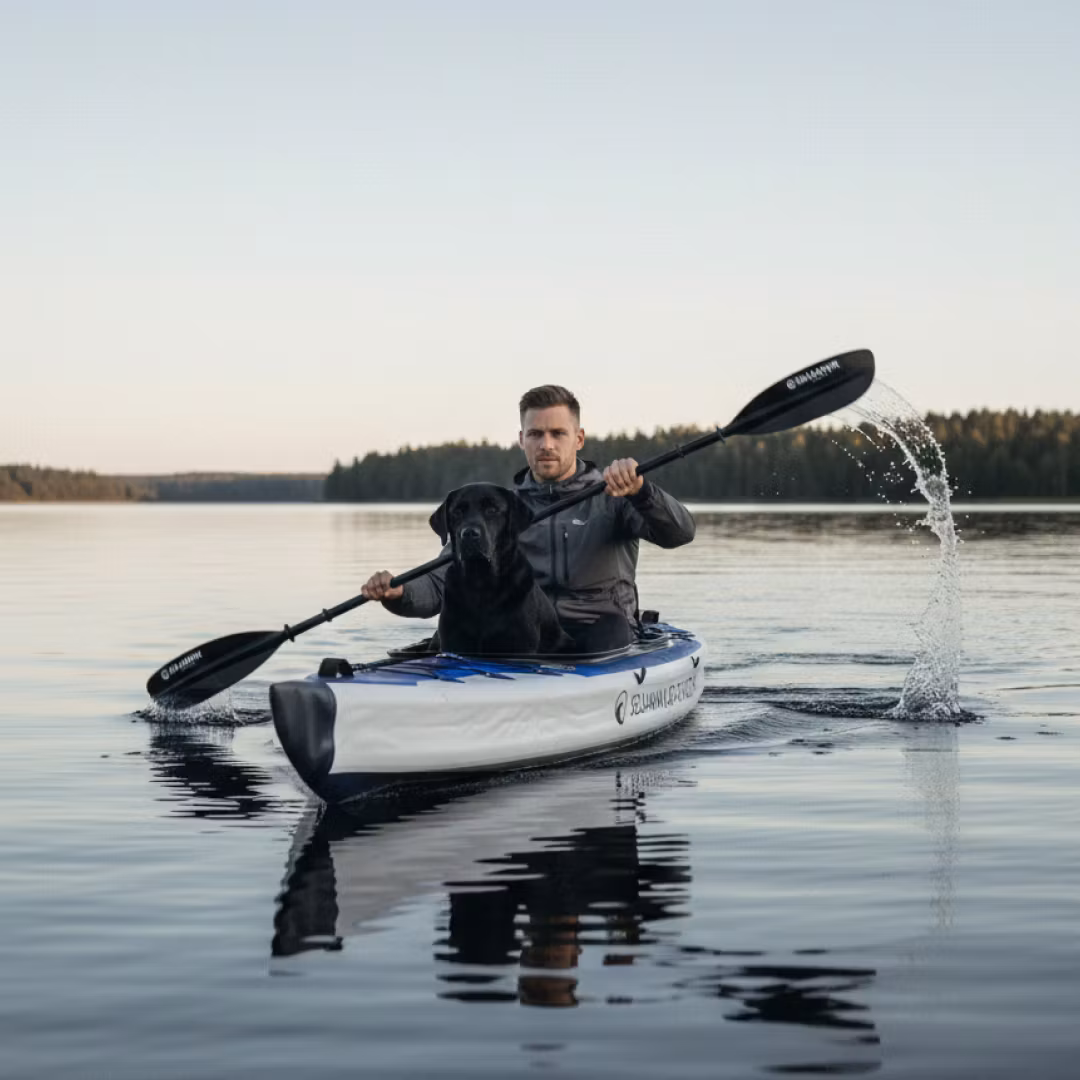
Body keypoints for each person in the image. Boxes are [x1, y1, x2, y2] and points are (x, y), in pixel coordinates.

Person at [361, 384, 695, 652]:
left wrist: (642, 492)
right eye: (535, 434)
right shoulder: (498, 509)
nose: (546, 444)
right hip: (519, 635)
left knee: (608, 633)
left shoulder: (615, 495)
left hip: (598, 634)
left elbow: (680, 533)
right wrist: (399, 592)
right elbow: (437, 583)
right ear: (522, 439)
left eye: (557, 433)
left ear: (578, 438)